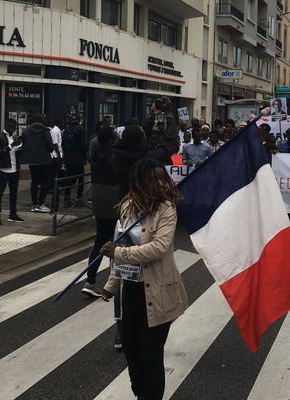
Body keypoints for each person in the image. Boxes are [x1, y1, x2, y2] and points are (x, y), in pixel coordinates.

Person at [100, 157, 187, 400]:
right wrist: (112, 285)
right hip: (132, 291)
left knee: (150, 352)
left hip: (159, 291)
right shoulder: (128, 206)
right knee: (130, 348)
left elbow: (159, 247)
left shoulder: (167, 209)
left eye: (162, 178)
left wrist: (117, 252)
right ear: (139, 182)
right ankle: (141, 393)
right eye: (153, 179)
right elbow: (123, 245)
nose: (160, 184)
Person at [81, 126, 121, 298]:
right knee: (117, 241)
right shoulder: (114, 156)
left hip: (98, 199)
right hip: (113, 199)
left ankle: (91, 279)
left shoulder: (97, 155)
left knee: (100, 241)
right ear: (111, 139)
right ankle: (112, 280)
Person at [20, 114, 55, 213]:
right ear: (41, 120)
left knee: (34, 182)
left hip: (31, 160)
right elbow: (50, 147)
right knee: (45, 182)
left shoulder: (25, 131)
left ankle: (34, 204)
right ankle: (41, 203)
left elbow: (23, 144)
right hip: (44, 160)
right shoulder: (45, 131)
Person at [0, 118, 24, 226]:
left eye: (14, 128)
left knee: (14, 193)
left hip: (14, 169)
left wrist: (20, 146)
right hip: (3, 170)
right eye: (10, 128)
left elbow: (19, 153)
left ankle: (13, 214)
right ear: (6, 126)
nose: (12, 130)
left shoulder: (15, 138)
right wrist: (11, 146)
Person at [62, 114, 88, 207]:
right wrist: (85, 155)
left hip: (68, 158)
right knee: (80, 179)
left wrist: (65, 156)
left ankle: (66, 199)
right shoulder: (81, 129)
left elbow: (63, 144)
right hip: (79, 159)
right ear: (79, 120)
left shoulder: (66, 130)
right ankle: (79, 199)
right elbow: (83, 144)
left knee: (68, 179)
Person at [50, 118, 64, 190]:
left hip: (58, 154)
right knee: (56, 172)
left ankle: (56, 186)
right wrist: (59, 155)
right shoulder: (55, 130)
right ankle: (54, 187)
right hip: (56, 156)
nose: (63, 125)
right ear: (59, 123)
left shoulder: (57, 130)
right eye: (62, 123)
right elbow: (55, 144)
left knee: (60, 171)